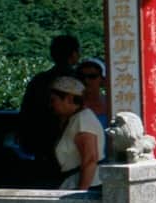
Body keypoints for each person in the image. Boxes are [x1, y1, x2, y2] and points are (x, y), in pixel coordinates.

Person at [19, 35, 84, 182]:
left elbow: (26, 113)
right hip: (73, 143)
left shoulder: (39, 80)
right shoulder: (78, 81)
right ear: (74, 54)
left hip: (42, 142)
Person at [48, 77, 102, 190]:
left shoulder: (83, 119)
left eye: (54, 100)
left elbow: (90, 159)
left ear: (69, 99)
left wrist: (81, 194)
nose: (51, 105)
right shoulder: (73, 119)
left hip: (87, 185)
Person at [75, 58, 111, 125]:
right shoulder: (72, 105)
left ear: (102, 80)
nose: (86, 80)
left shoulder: (111, 103)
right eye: (82, 77)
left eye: (92, 76)